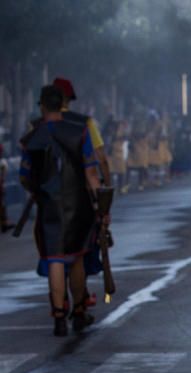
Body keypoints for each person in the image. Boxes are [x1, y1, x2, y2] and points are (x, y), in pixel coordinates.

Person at [19, 85, 103, 336]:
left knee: (54, 258)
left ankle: (58, 317)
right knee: (76, 257)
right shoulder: (80, 132)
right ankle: (78, 311)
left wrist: (37, 190)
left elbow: (24, 177)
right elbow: (91, 173)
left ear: (42, 106)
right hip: (79, 207)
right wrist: (101, 205)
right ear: (63, 104)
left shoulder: (32, 138)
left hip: (48, 206)